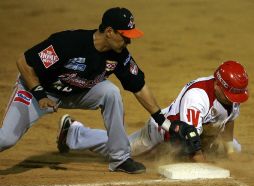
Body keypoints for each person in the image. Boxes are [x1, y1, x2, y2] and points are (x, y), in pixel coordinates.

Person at [0, 7, 200, 174]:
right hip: (38, 91)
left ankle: (119, 159)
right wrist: (39, 93)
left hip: (76, 92)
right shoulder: (68, 43)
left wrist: (164, 123)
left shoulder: (119, 55)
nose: (129, 42)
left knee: (110, 93)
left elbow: (139, 87)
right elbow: (24, 63)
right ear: (110, 32)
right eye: (125, 36)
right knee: (6, 139)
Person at [59, 60, 248, 162]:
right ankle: (73, 132)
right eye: (230, 93)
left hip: (200, 133)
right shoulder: (198, 97)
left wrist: (229, 148)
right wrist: (207, 165)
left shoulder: (229, 94)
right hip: (162, 133)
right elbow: (191, 142)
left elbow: (230, 118)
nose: (233, 98)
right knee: (120, 151)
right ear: (217, 84)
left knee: (232, 150)